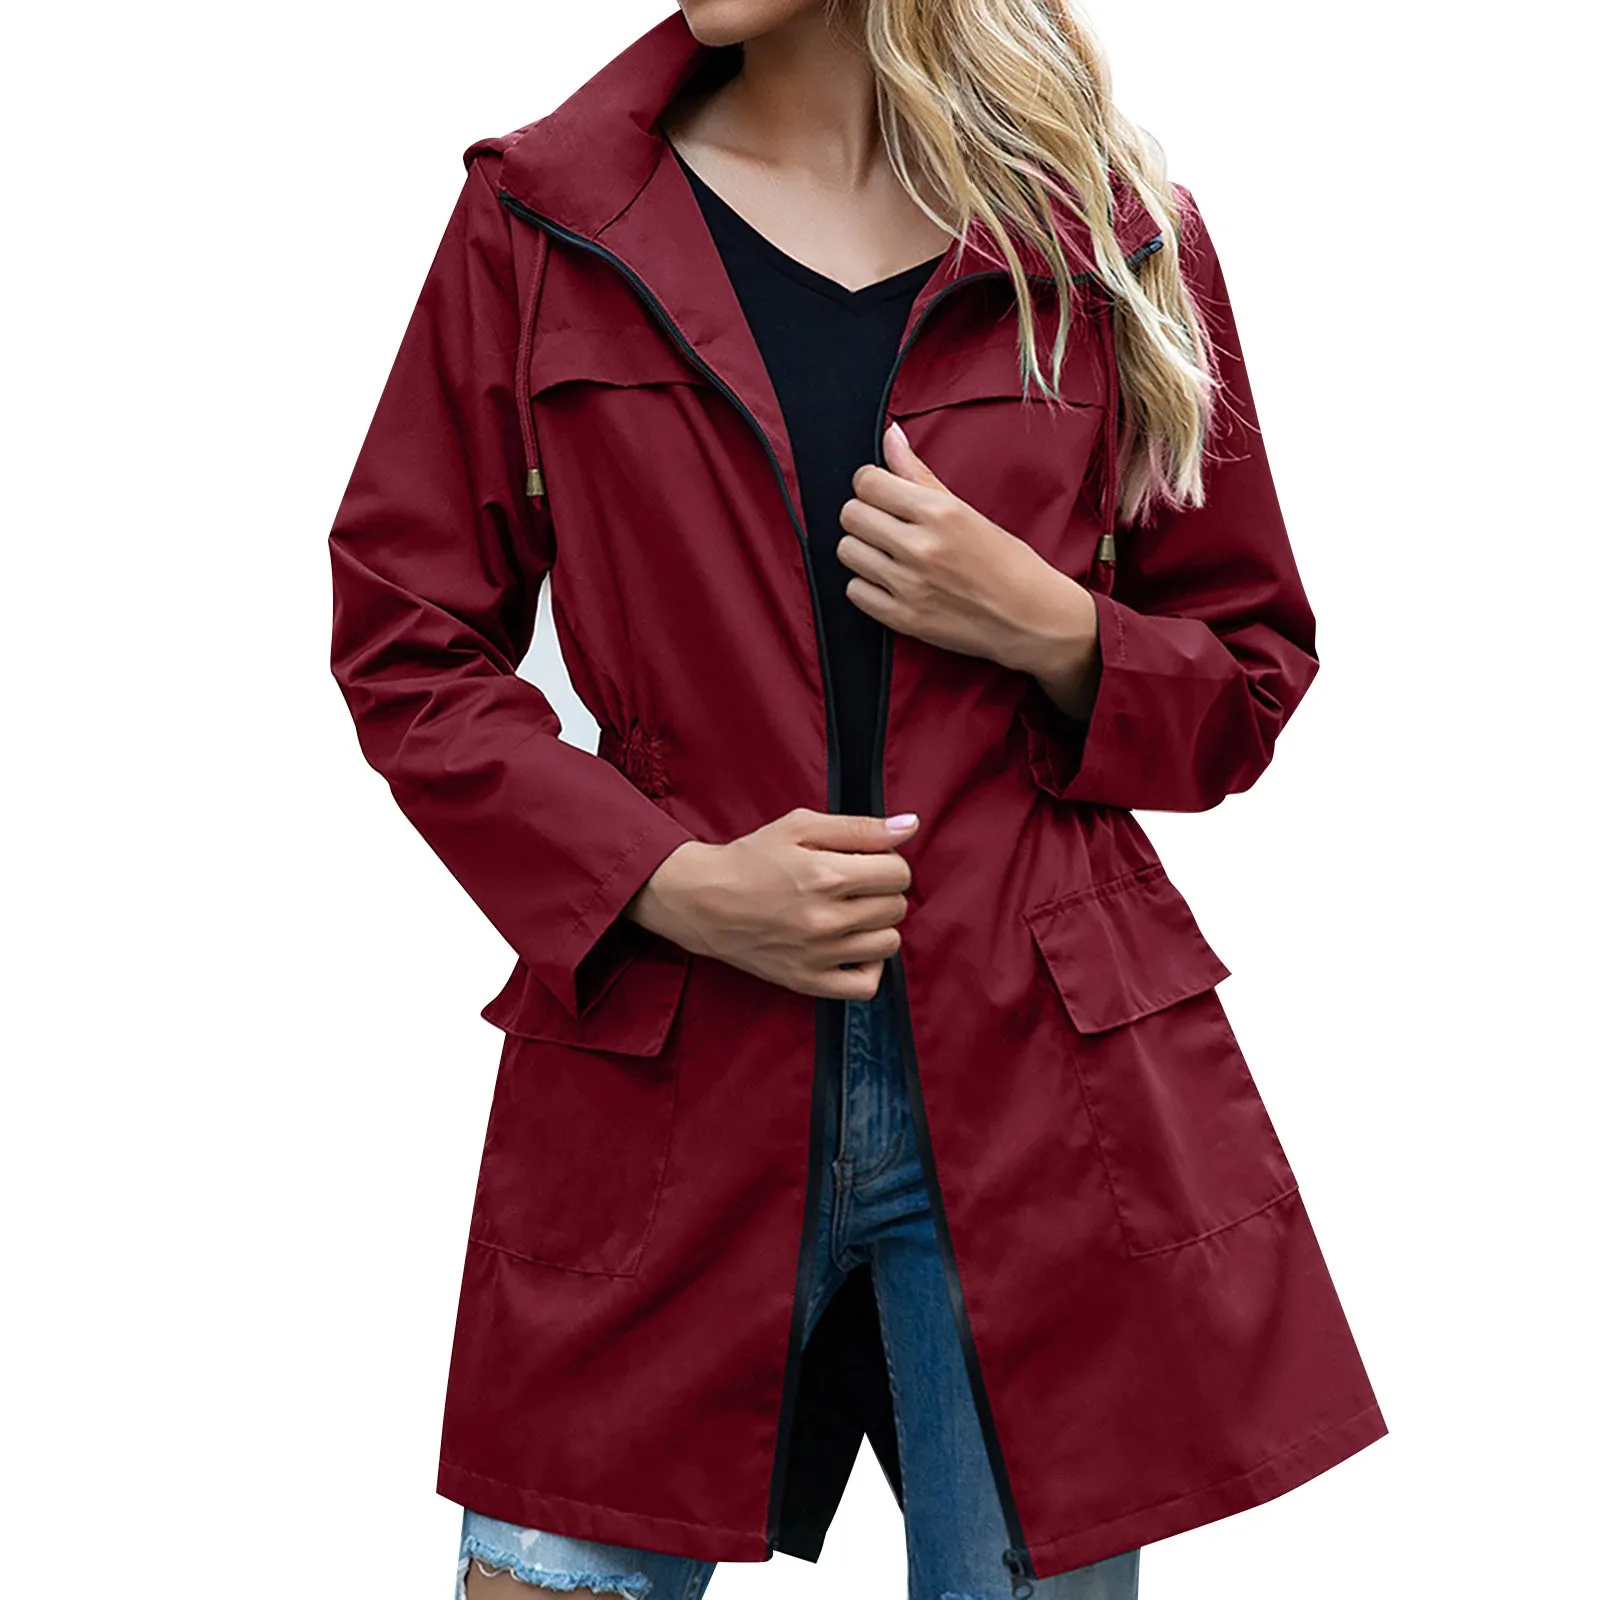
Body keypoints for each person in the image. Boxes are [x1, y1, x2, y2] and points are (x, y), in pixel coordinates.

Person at [326, 4, 1387, 1598]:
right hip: (664, 1085)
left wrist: (1055, 627)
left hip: (1037, 1096)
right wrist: (667, 880)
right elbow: (407, 636)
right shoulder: (543, 220)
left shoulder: (1105, 238)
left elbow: (1248, 679)